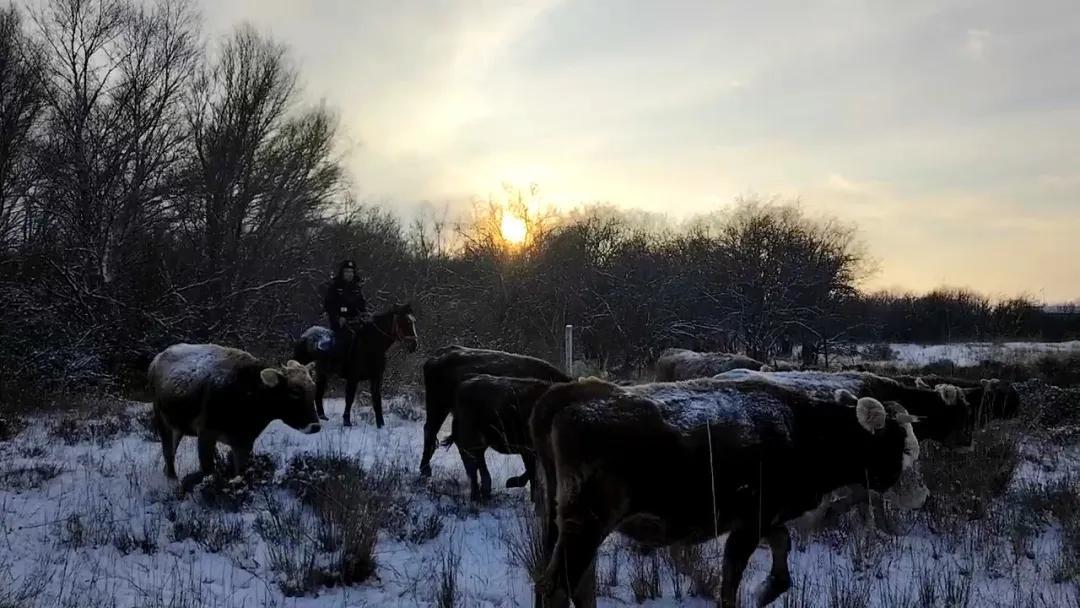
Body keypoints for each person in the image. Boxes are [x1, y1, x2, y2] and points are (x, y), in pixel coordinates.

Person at [323, 260, 370, 358]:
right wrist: (338, 317)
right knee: (342, 344)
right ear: (342, 273)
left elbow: (361, 304)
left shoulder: (356, 288)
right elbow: (329, 305)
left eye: (351, 272)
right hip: (339, 324)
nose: (349, 274)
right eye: (347, 272)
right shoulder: (335, 287)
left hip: (356, 322)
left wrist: (365, 314)